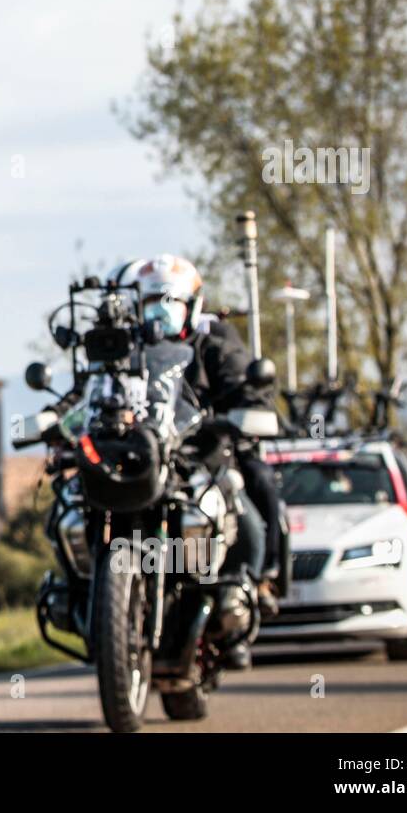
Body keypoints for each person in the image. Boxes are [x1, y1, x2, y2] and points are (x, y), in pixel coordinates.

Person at [122, 255, 285, 666]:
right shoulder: (128, 350)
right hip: (146, 460)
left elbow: (241, 382)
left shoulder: (213, 341)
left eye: (169, 300)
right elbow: (97, 393)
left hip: (205, 456)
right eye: (150, 301)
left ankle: (246, 589)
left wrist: (239, 412)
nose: (159, 310)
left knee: (249, 507)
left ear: (192, 303)